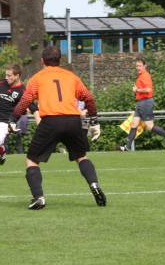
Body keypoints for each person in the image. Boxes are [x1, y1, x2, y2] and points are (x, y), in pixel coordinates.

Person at [12, 45, 105, 210]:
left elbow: (25, 101)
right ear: (59, 60)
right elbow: (89, 98)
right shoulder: (71, 77)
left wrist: (13, 119)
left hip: (51, 121)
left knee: (32, 160)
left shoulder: (37, 78)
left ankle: (39, 197)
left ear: (42, 61)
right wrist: (94, 121)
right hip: (73, 120)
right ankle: (94, 185)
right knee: (81, 157)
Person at [119, 57, 165, 151]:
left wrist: (137, 90)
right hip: (141, 103)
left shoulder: (145, 75)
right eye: (137, 66)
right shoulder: (141, 76)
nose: (138, 68)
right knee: (134, 124)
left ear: (144, 66)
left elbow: (148, 90)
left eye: (140, 66)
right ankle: (127, 147)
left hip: (146, 102)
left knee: (149, 126)